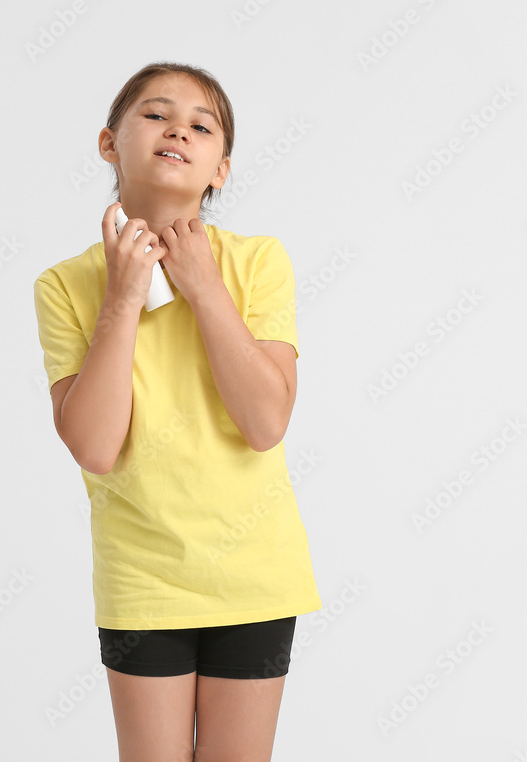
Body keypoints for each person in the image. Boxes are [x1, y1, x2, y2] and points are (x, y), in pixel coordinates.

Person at [33, 61, 322, 761]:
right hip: (142, 577)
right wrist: (124, 297)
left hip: (254, 572)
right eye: (156, 115)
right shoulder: (66, 284)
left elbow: (264, 422)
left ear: (220, 168)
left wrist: (202, 287)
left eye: (201, 126)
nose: (178, 131)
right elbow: (95, 445)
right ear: (110, 143)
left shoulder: (258, 262)